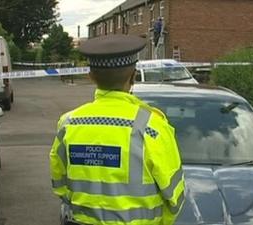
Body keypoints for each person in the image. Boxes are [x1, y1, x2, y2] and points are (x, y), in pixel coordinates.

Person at [49, 34, 185, 225]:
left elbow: (59, 183)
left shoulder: (68, 123)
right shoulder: (152, 127)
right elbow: (175, 195)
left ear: (91, 77)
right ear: (133, 76)